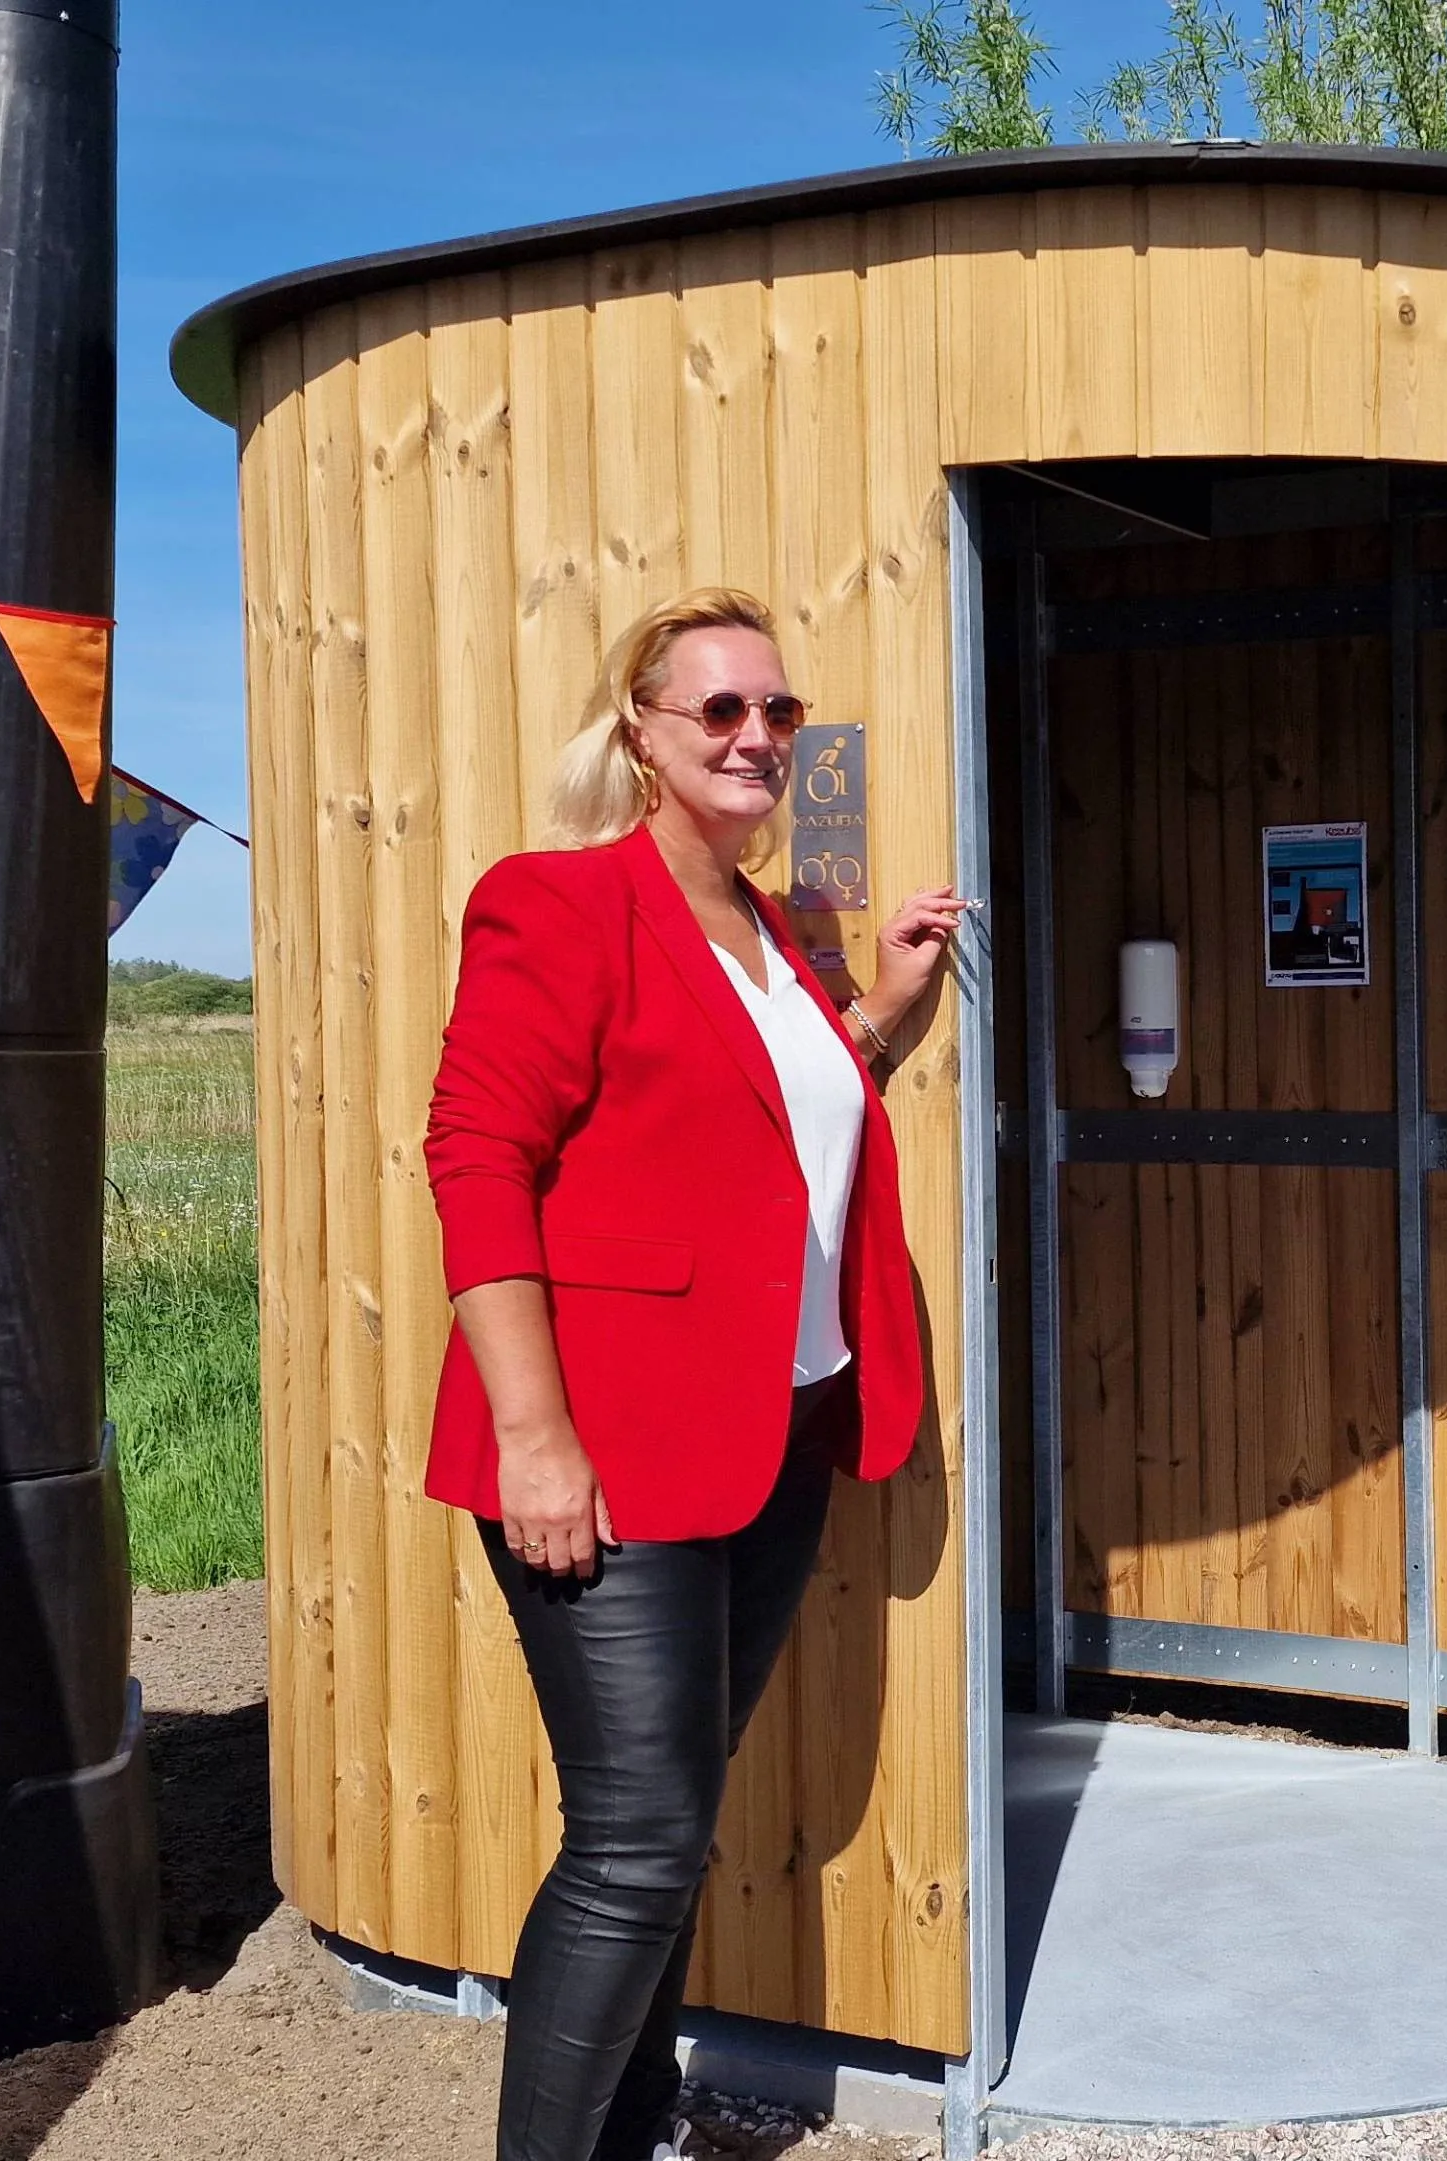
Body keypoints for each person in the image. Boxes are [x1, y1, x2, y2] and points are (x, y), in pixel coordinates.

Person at [422, 586, 966, 2161]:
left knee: (668, 1829)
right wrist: (536, 1443)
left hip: (774, 1434)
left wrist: (885, 1009)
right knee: (639, 1843)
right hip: (609, 1446)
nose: (757, 737)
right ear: (644, 735)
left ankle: (638, 2127)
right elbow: (477, 1160)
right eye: (720, 710)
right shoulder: (557, 902)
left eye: (778, 712)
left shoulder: (773, 929)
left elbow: (773, 1111)